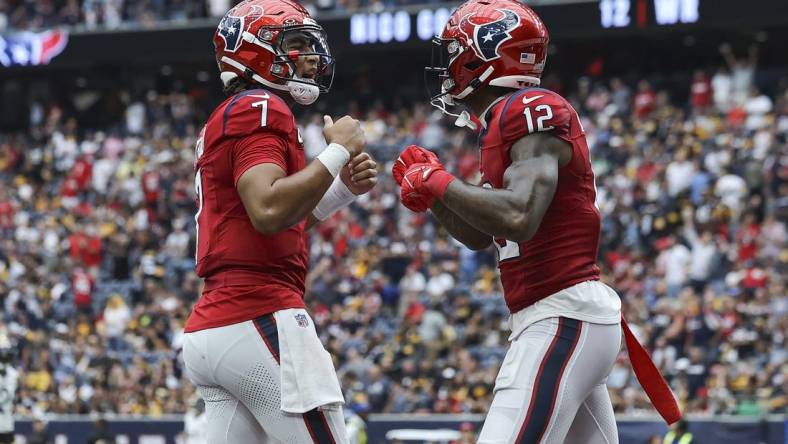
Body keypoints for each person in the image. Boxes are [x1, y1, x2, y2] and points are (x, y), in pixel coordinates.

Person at [392, 0, 679, 442]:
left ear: (482, 56)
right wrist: (434, 195)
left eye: (455, 53)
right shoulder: (502, 122)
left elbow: (519, 216)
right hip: (561, 317)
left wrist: (437, 179)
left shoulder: (530, 108)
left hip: (560, 316)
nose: (448, 66)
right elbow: (480, 235)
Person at [181, 1, 377, 443]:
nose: (309, 56)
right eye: (295, 44)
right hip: (258, 312)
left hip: (218, 321)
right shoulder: (260, 105)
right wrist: (337, 151)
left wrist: (340, 187)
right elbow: (268, 210)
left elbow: (274, 220)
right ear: (253, 52)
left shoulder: (238, 111)